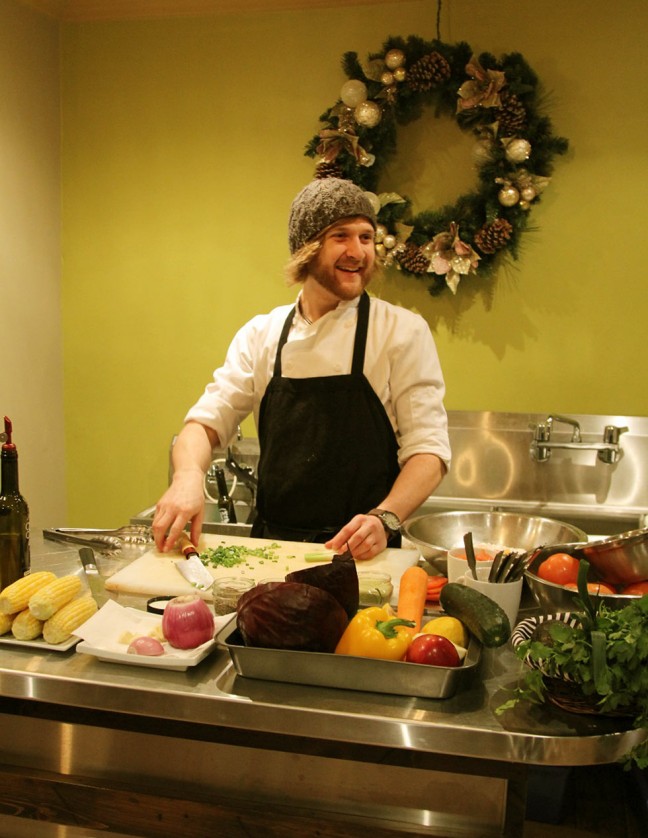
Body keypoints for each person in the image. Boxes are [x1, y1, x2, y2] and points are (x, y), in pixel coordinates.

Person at [152, 177, 451, 560]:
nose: (358, 252)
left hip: (362, 556)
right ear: (306, 248)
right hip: (271, 552)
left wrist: (385, 518)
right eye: (340, 236)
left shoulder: (401, 332)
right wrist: (188, 477)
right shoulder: (262, 334)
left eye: (365, 237)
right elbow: (204, 425)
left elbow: (429, 453)